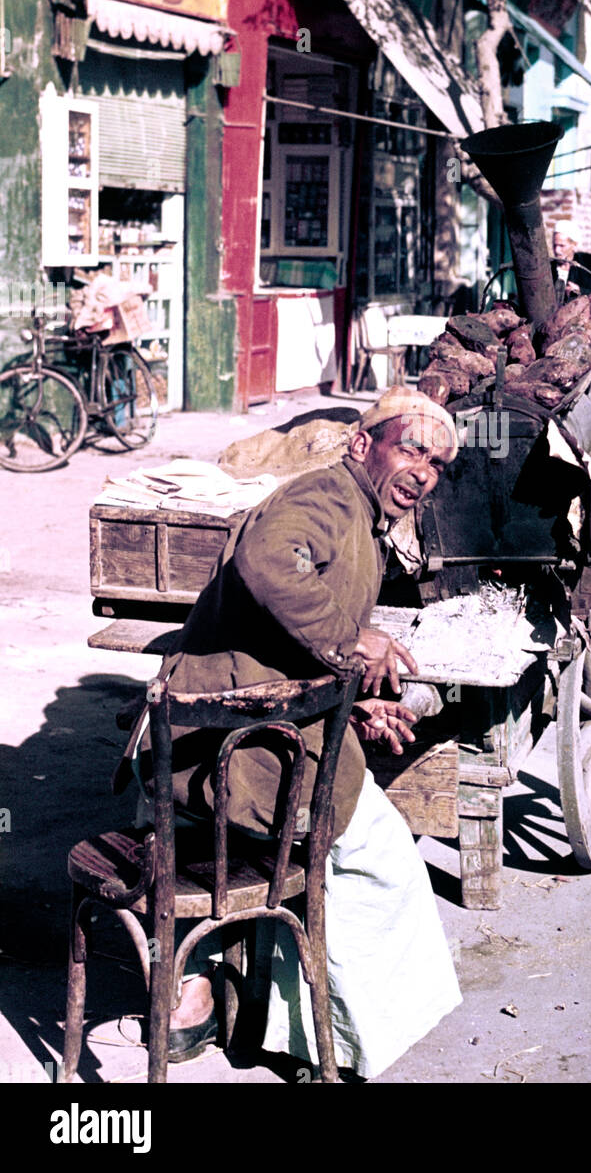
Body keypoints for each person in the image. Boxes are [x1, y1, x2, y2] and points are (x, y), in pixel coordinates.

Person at [133, 387, 462, 1077]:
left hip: (254, 719)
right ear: (361, 445)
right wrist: (351, 640)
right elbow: (269, 562)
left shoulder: (359, 514)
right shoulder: (322, 498)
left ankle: (269, 1013)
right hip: (227, 741)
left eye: (435, 461)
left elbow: (283, 633)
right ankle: (327, 1043)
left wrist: (356, 698)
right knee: (376, 862)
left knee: (359, 845)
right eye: (410, 449)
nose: (423, 471)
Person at [550, 219, 591, 305]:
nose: (557, 250)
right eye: (554, 245)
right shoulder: (548, 267)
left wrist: (581, 291)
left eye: (562, 246)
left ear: (573, 245)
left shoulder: (587, 267)